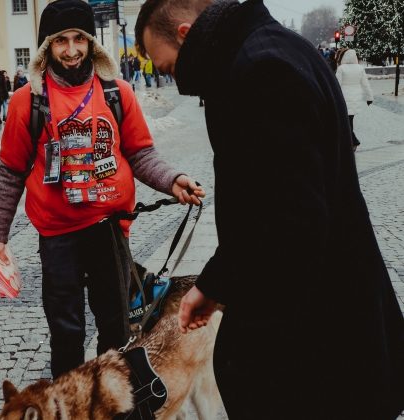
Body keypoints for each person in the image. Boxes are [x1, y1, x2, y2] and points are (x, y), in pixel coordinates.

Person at [135, 0, 404, 419]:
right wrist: (214, 285)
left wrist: (240, 322)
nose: (176, 82)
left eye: (169, 69)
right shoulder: (276, 49)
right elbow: (268, 205)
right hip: (326, 334)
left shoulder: (262, 70)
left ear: (186, 34)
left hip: (317, 347)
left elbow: (290, 225)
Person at [0, 0, 204, 379]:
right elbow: (10, 172)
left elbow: (140, 154)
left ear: (91, 43)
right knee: (66, 333)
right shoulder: (28, 102)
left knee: (117, 329)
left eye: (79, 39)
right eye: (60, 42)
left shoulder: (117, 93)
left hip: (109, 230)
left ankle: (113, 402)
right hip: (58, 237)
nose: (71, 51)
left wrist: (172, 180)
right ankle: (68, 406)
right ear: (46, 48)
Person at [336, 49, 374, 151]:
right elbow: (365, 84)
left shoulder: (341, 68)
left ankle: (353, 141)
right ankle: (350, 142)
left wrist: (334, 97)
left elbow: (337, 85)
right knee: (349, 120)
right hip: (356, 98)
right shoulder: (360, 68)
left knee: (346, 121)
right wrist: (369, 98)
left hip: (344, 98)